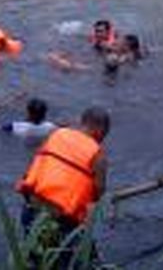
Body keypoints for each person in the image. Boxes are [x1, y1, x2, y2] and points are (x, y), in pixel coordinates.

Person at [17, 107, 110, 265]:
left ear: (82, 122)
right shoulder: (98, 155)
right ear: (100, 131)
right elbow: (98, 192)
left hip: (31, 210)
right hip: (62, 222)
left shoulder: (56, 134)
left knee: (33, 260)